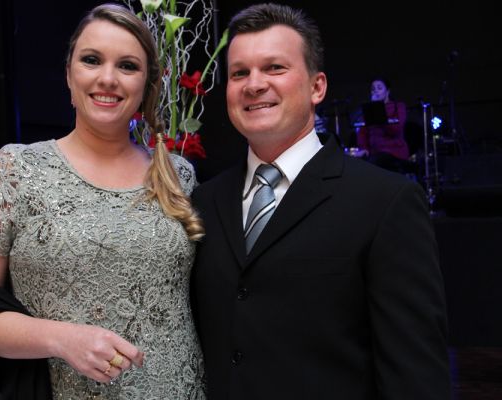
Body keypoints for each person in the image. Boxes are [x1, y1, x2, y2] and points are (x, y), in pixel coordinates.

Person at [190, 4, 450, 399]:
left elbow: (416, 375)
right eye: (239, 73)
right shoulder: (204, 201)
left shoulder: (385, 202)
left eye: (274, 68)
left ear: (317, 87)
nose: (254, 84)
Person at [0, 4, 206, 399]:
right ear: (69, 74)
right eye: (91, 60)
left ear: (148, 84)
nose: (108, 78)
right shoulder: (17, 170)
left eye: (127, 66)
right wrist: (61, 338)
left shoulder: (177, 174)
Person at [356, 77, 411, 172]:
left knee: (374, 165)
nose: (375, 91)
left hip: (394, 152)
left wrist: (377, 108)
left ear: (387, 92)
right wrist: (364, 148)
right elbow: (363, 132)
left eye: (379, 88)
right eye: (373, 89)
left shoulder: (398, 106)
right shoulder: (369, 109)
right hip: (375, 153)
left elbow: (395, 130)